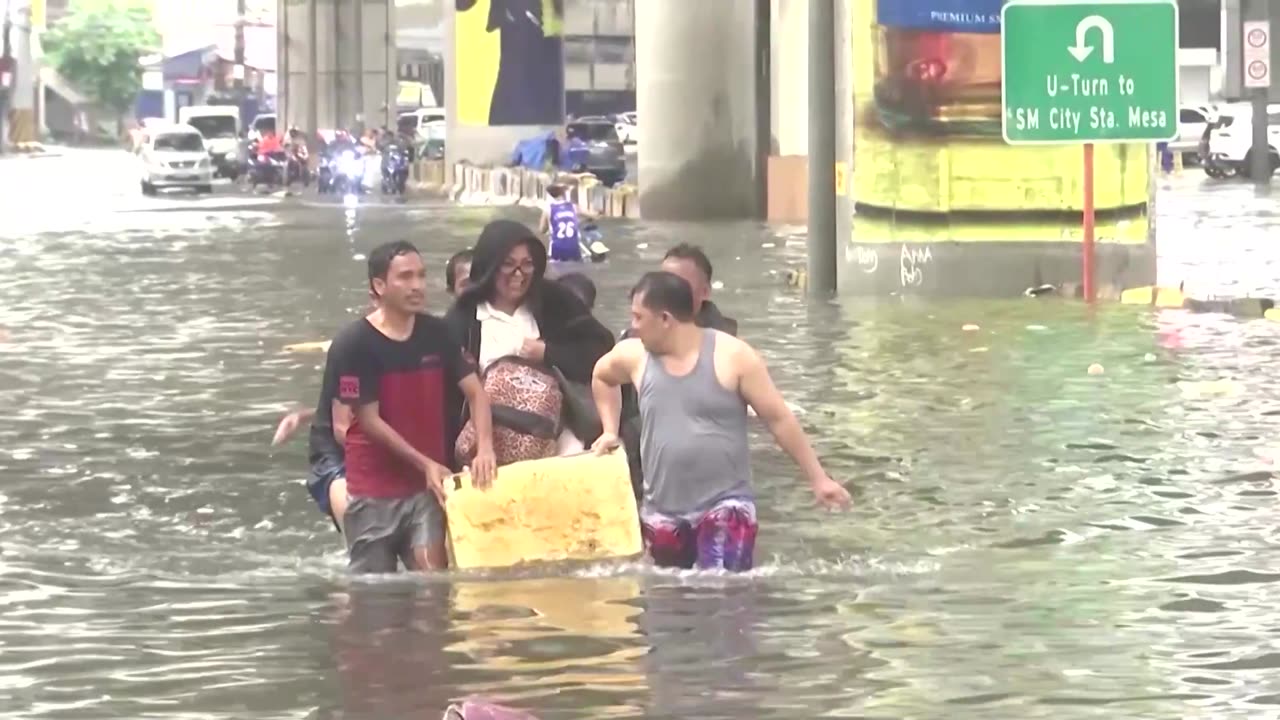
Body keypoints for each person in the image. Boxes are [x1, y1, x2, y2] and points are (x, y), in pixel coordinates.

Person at [591, 272, 850, 572]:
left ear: (665, 319)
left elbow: (778, 418)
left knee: (720, 592)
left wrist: (818, 478)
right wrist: (609, 429)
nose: (632, 327)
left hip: (726, 504)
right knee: (667, 602)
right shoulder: (633, 356)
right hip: (662, 511)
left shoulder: (734, 356)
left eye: (638, 317)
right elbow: (602, 377)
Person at [330, 240, 497, 573]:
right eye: (405, 277)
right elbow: (368, 420)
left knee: (433, 586)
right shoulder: (353, 344)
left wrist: (485, 448)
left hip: (425, 489)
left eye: (421, 275)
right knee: (375, 597)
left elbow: (477, 392)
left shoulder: (438, 333)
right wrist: (426, 464)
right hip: (373, 491)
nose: (417, 285)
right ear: (379, 286)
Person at [444, 220, 614, 456]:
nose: (518, 274)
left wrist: (548, 353)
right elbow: (448, 393)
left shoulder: (554, 302)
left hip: (558, 441)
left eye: (527, 265)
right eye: (508, 265)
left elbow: (601, 351)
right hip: (487, 447)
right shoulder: (462, 317)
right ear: (490, 266)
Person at [619, 243, 738, 498]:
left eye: (679, 284)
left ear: (704, 292)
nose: (667, 292)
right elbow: (605, 382)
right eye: (663, 281)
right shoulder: (635, 338)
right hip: (644, 464)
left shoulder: (728, 349)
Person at [537, 184, 597, 262]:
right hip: (574, 248)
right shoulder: (574, 207)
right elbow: (594, 216)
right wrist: (584, 220)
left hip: (557, 249)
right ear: (564, 194)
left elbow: (542, 230)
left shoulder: (548, 209)